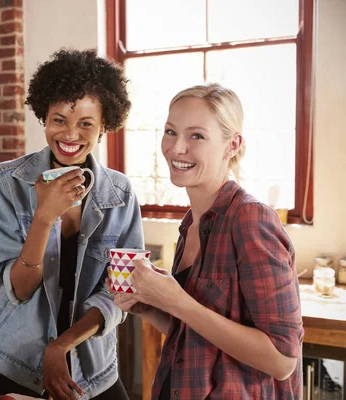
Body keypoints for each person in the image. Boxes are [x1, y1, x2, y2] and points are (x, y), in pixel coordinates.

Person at [110, 83, 303, 399]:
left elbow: (282, 361)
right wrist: (150, 308)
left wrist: (176, 301)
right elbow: (198, 337)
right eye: (171, 132)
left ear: (232, 145)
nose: (176, 148)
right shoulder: (191, 223)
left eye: (196, 136)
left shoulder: (251, 219)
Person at [0, 49, 144, 400]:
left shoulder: (121, 193)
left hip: (91, 365)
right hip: (13, 360)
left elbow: (119, 291)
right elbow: (18, 289)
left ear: (104, 125)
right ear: (43, 118)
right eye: (59, 119)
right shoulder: (7, 182)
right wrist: (44, 216)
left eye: (85, 123)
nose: (70, 134)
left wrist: (60, 347)